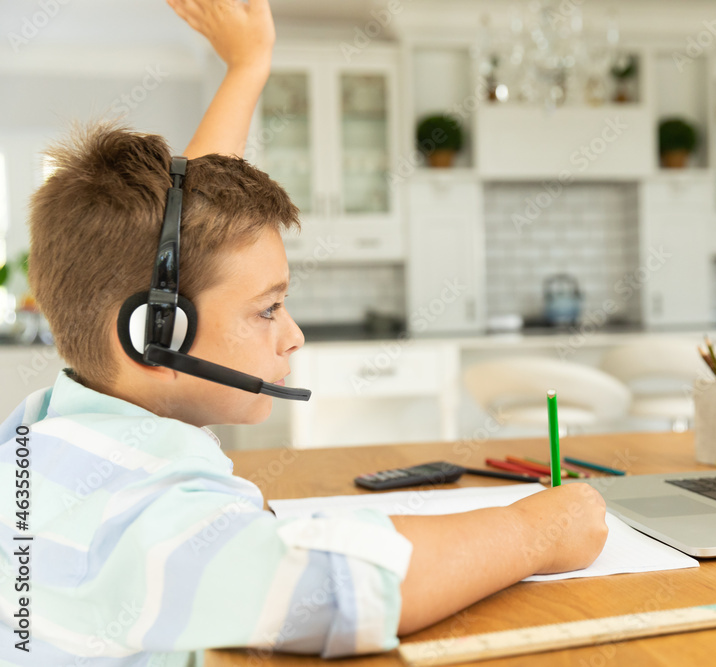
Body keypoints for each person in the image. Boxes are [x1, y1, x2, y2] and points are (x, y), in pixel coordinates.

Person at [0, 2, 608, 665]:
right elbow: (343, 590)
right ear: (157, 333)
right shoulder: (137, 523)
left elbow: (191, 246)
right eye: (269, 308)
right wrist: (539, 528)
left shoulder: (48, 434)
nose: (292, 336)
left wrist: (247, 66)